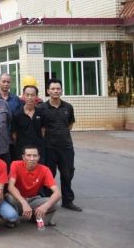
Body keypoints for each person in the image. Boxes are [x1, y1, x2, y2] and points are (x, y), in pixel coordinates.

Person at [39, 78, 81, 212]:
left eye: (58, 88)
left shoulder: (68, 107)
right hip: (49, 148)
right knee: (48, 175)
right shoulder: (42, 108)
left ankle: (67, 201)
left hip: (66, 147)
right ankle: (47, 201)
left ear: (61, 90)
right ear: (48, 91)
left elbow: (70, 125)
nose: (55, 91)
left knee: (67, 174)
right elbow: (41, 129)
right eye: (53, 89)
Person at [6, 145, 61, 226]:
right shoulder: (15, 164)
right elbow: (10, 187)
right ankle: (14, 218)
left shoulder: (45, 170)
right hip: (18, 199)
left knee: (57, 203)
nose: (32, 158)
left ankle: (35, 216)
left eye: (35, 156)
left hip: (33, 200)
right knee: (9, 198)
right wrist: (24, 203)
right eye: (28, 155)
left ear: (38, 157)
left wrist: (46, 206)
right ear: (23, 157)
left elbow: (57, 193)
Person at [11, 85, 44, 161]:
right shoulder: (17, 114)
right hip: (21, 150)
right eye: (27, 95)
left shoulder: (41, 113)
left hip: (38, 150)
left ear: (36, 96)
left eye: (32, 95)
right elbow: (14, 135)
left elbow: (43, 132)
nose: (30, 97)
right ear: (23, 96)